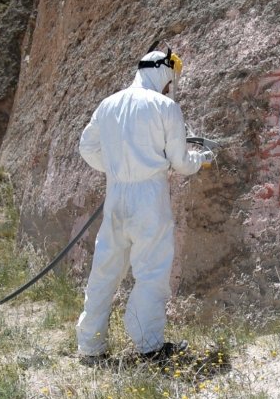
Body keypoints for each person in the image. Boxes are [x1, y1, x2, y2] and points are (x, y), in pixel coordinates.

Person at [76, 47, 210, 361]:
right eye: (170, 78)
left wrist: (115, 168)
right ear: (162, 71)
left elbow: (87, 147)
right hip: (149, 199)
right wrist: (201, 160)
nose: (170, 85)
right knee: (151, 273)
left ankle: (90, 346)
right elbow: (179, 161)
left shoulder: (108, 104)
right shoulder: (165, 106)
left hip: (116, 197)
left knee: (105, 272)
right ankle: (149, 345)